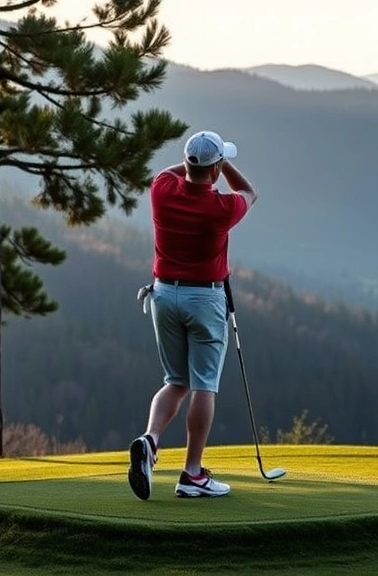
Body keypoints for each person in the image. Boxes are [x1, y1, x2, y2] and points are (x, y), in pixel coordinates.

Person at [127, 130, 257, 500]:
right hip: (205, 299)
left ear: (185, 165)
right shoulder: (221, 209)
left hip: (164, 295)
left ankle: (150, 440)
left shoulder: (162, 190)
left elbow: (170, 172)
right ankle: (193, 473)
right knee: (203, 384)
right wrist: (222, 165)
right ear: (215, 170)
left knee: (176, 379)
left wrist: (197, 163)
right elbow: (250, 192)